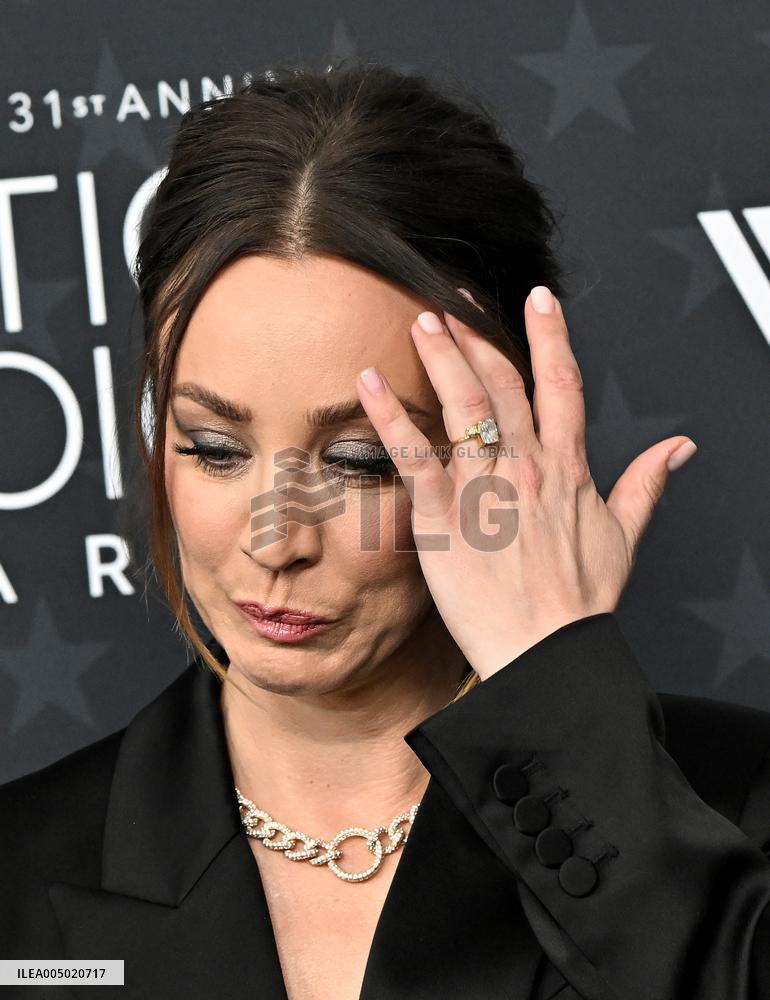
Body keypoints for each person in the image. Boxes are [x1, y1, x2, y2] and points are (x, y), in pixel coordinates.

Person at [2, 56, 770, 1000]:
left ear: (501, 438)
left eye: (360, 462)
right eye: (212, 447)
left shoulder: (738, 813)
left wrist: (552, 686)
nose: (276, 541)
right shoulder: (17, 880)